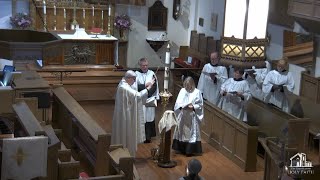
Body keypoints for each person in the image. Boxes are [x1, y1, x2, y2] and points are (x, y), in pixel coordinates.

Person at [111, 70, 155, 157]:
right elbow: (137, 96)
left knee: (123, 133)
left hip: (124, 113)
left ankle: (124, 152)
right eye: (134, 79)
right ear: (129, 78)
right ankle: (125, 155)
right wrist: (148, 88)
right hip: (125, 116)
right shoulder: (124, 87)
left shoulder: (123, 82)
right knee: (125, 133)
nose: (134, 82)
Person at [172, 77, 203, 156]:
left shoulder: (197, 92)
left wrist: (193, 107)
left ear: (192, 84)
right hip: (183, 114)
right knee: (181, 132)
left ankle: (189, 150)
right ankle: (181, 148)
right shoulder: (182, 90)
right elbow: (177, 103)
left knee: (191, 133)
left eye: (188, 85)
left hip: (191, 116)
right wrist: (182, 106)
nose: (186, 87)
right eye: (185, 85)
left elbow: (200, 105)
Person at [135, 58, 159, 143]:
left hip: (149, 99)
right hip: (140, 99)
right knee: (141, 117)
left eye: (146, 65)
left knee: (149, 117)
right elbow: (136, 86)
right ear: (140, 65)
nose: (145, 67)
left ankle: (148, 137)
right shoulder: (136, 74)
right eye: (143, 65)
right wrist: (146, 87)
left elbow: (154, 86)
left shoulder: (152, 74)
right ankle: (140, 136)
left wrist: (148, 93)